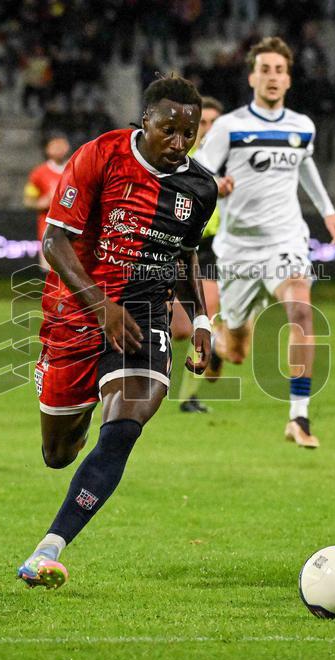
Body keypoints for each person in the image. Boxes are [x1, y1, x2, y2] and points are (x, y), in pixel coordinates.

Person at [17, 76, 217, 590]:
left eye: (188, 133)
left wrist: (198, 318)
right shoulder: (99, 156)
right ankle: (83, 408)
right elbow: (55, 241)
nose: (178, 143)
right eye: (168, 130)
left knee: (125, 427)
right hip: (76, 312)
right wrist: (100, 305)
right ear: (143, 121)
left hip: (145, 314)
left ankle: (49, 548)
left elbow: (183, 254)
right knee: (58, 454)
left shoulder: (199, 187)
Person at [194, 36, 335, 449]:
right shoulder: (230, 126)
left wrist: (328, 211)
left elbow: (307, 166)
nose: (272, 77)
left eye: (279, 70)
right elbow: (198, 171)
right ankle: (221, 342)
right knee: (239, 349)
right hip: (238, 250)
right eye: (265, 70)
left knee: (300, 310)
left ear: (289, 79)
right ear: (252, 77)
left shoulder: (302, 126)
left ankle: (299, 417)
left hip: (287, 239)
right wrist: (216, 184)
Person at [171, 95, 224, 413]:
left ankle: (189, 397)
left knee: (205, 319)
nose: (208, 129)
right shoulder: (178, 155)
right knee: (180, 328)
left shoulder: (231, 158)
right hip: (175, 244)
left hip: (210, 246)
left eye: (215, 123)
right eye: (203, 122)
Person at [23, 133, 70, 271]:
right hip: (49, 229)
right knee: (51, 273)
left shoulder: (75, 169)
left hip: (72, 228)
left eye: (61, 144)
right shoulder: (39, 173)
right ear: (47, 149)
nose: (59, 148)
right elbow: (28, 201)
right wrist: (41, 203)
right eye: (54, 145)